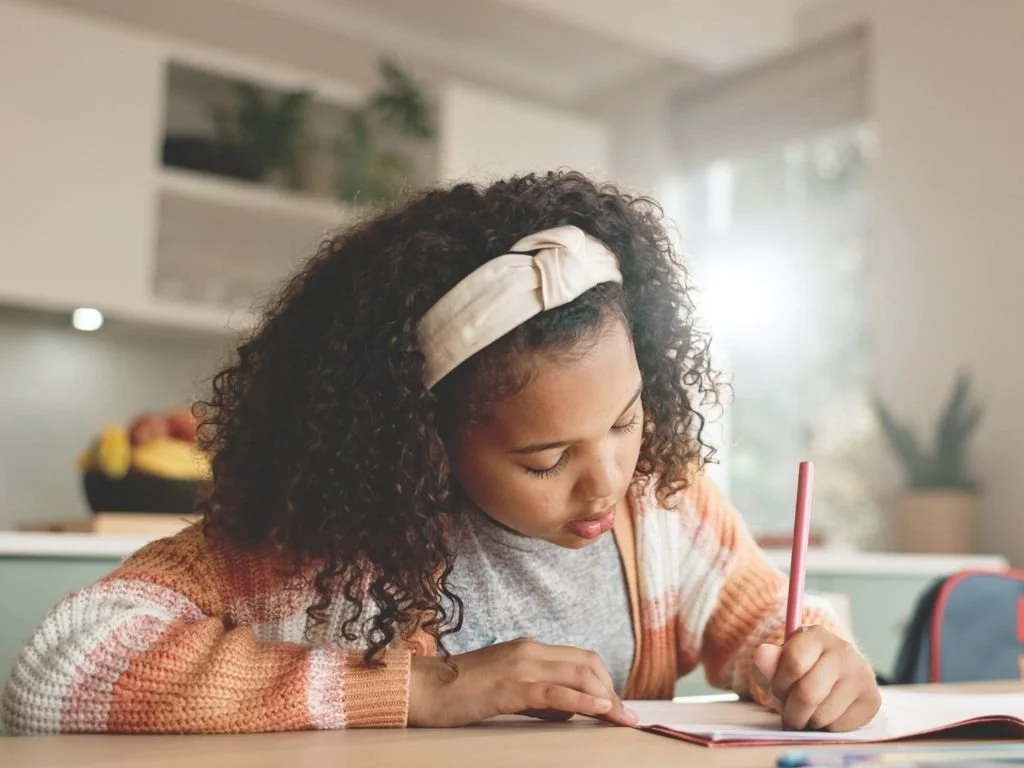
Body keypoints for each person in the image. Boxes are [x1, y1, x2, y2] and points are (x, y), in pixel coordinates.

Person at [1, 171, 881, 735]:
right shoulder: (325, 543)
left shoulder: (665, 502)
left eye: (624, 420)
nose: (608, 480)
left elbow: (765, 621)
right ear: (424, 440)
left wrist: (811, 660)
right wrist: (421, 690)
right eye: (544, 459)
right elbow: (52, 671)